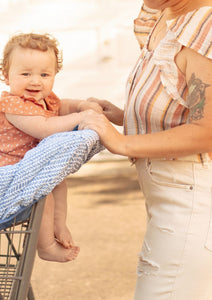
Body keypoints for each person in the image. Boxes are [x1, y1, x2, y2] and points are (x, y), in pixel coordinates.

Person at [79, 0, 212, 299]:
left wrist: (121, 142)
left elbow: (207, 132)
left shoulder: (206, 25)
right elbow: (177, 106)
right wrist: (122, 115)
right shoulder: (166, 14)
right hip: (171, 201)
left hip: (193, 205)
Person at [0, 33, 102, 263]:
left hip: (22, 167)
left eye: (44, 74)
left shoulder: (45, 98)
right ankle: (47, 247)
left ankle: (59, 226)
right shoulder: (13, 105)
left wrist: (81, 105)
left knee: (59, 182)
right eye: (25, 74)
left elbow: (62, 106)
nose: (35, 81)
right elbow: (44, 128)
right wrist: (82, 116)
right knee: (44, 194)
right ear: (6, 76)